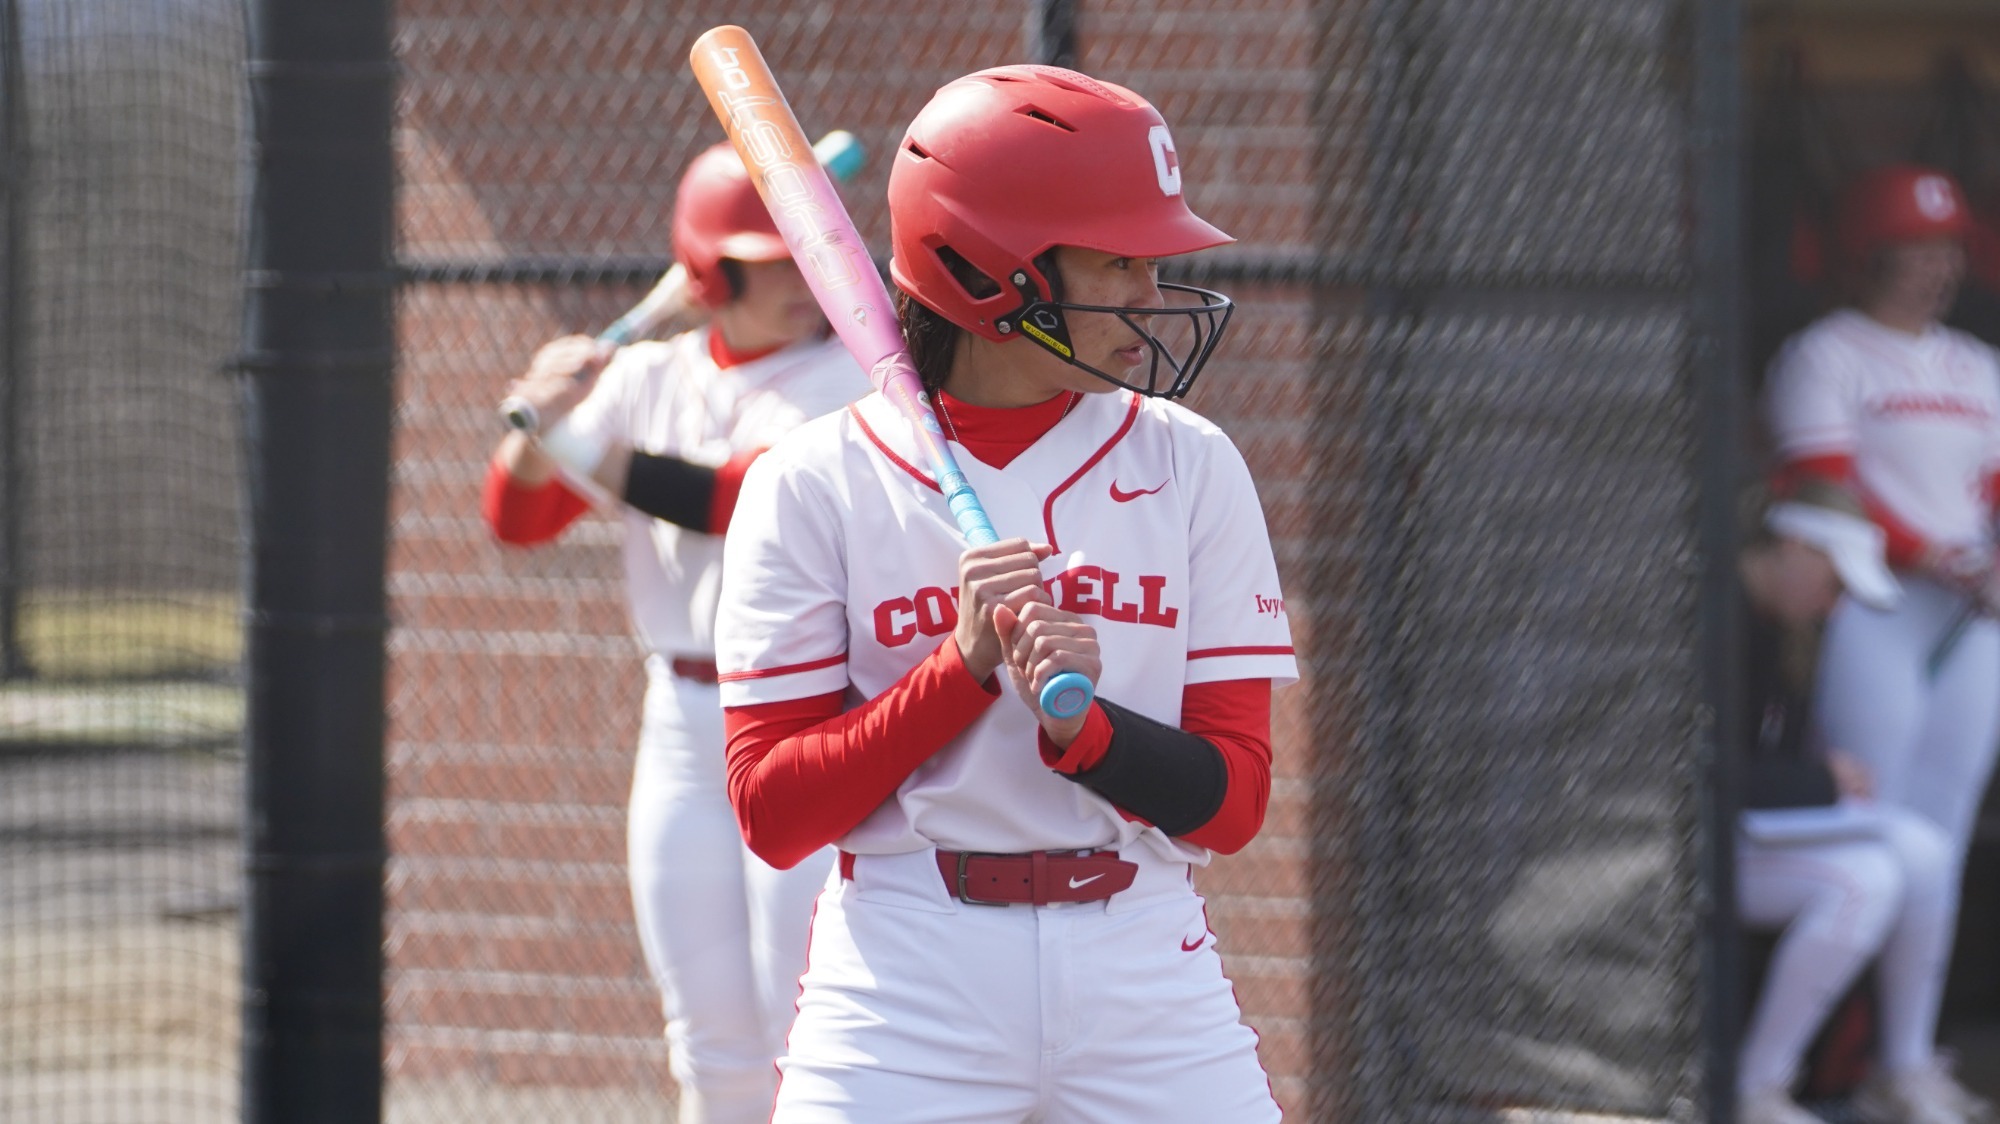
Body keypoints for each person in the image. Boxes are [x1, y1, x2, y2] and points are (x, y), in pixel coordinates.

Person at [712, 66, 1296, 1122]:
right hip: (906, 971)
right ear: (994, 271)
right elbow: (773, 813)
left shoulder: (1191, 463)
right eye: (1118, 259)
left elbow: (1234, 801)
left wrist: (1087, 732)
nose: (1151, 295)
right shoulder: (812, 480)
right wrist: (959, 670)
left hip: (1142, 964)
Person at [480, 142, 870, 1124]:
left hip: (806, 717)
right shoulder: (649, 375)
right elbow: (517, 520)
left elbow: (725, 499)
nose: (798, 279)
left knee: (808, 1032)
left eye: (805, 254)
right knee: (709, 1044)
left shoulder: (852, 380)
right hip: (684, 725)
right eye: (767, 260)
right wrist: (539, 423)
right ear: (708, 271)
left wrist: (565, 432)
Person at [1764, 164, 2000, 1124]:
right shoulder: (1827, 352)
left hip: (1971, 619)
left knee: (1941, 840)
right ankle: (1817, 1063)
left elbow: (1993, 484)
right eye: (1914, 250)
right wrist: (1932, 555)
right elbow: (1825, 485)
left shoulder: (1975, 363)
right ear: (1868, 254)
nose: (1937, 269)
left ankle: (1906, 1061)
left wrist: (1985, 562)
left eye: (1949, 250)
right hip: (1875, 611)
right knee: (1876, 830)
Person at [1734, 483, 1961, 1124]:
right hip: (1675, 849)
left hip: (1750, 835)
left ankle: (1899, 1066)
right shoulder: (1709, 614)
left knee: (1923, 852)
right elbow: (1706, 779)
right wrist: (1822, 782)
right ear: (1793, 545)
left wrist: (1824, 781)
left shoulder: (1787, 630)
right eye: (1833, 583)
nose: (1834, 607)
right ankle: (1754, 1090)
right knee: (1865, 881)